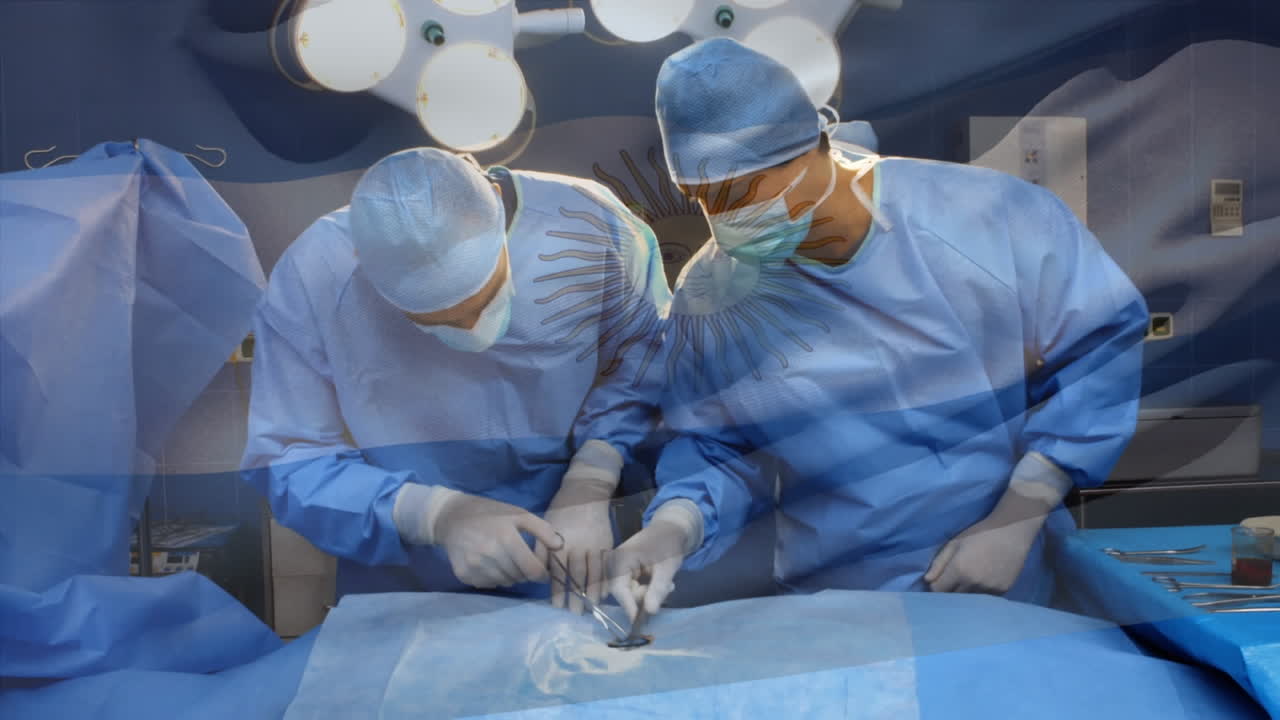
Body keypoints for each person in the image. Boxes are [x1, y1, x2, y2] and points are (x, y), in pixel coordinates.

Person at [607, 38, 1148, 621]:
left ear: (809, 148)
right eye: (701, 198)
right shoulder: (712, 292)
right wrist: (673, 527)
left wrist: (1019, 515)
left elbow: (1100, 349)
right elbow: (718, 443)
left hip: (993, 586)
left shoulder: (986, 220)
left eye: (739, 192)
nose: (724, 220)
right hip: (834, 600)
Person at [242, 148, 671, 613]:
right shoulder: (316, 275)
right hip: (407, 572)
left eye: (481, 300)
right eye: (431, 321)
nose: (471, 332)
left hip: (568, 546)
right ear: (359, 260)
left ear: (497, 218)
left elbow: (645, 367)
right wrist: (433, 515)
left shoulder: (588, 226)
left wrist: (592, 478)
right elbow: (287, 458)